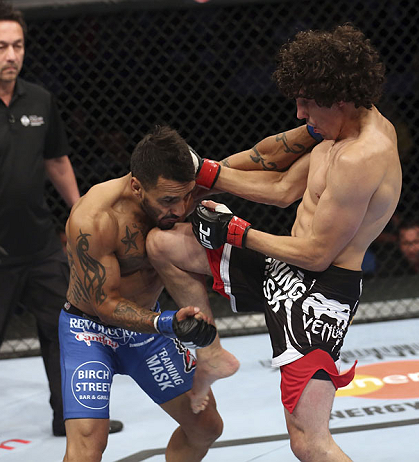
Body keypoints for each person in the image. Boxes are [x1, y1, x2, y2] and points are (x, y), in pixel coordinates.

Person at [146, 23, 400, 461]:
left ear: (337, 98)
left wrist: (237, 233)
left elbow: (319, 255)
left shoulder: (364, 156)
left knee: (308, 442)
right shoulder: (336, 127)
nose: (301, 115)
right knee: (164, 244)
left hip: (318, 295)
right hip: (282, 267)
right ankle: (208, 354)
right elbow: (283, 187)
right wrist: (205, 172)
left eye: (306, 104)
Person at [0, 3, 121, 461]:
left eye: (17, 45)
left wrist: (81, 216)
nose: (11, 55)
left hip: (40, 246)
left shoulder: (39, 100)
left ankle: (70, 416)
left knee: (66, 335)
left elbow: (56, 161)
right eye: (0, 47)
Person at [59, 125, 222, 462]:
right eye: (168, 201)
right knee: (87, 449)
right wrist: (168, 323)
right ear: (137, 186)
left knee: (206, 427)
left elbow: (258, 160)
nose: (179, 209)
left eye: (185, 196)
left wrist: (313, 130)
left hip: (148, 330)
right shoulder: (94, 218)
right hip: (89, 331)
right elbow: (105, 305)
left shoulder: (179, 190)